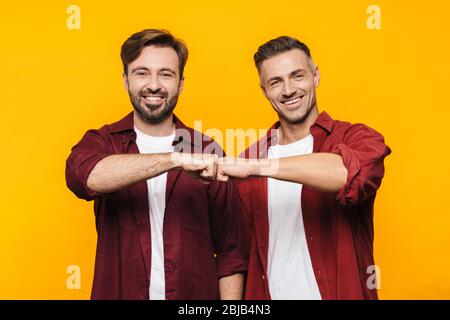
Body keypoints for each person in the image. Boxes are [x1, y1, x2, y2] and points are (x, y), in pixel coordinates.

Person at [65, 29, 247, 300]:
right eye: (141, 73)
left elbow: (231, 252)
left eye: (165, 74)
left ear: (181, 83)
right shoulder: (102, 142)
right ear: (125, 80)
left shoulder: (208, 150)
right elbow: (84, 177)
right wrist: (173, 159)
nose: (153, 85)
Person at [217, 36, 391, 300]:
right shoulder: (248, 161)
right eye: (275, 82)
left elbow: (348, 174)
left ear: (315, 76)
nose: (288, 90)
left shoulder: (357, 138)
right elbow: (236, 254)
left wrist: (259, 167)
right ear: (264, 90)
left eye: (297, 76)